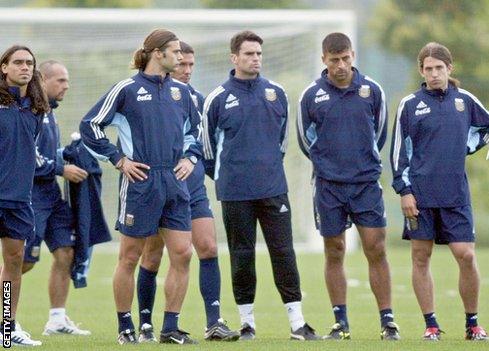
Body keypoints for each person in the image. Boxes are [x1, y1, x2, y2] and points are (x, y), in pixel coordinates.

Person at [79, 29, 203, 345]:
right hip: (141, 183)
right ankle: (125, 328)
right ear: (157, 53)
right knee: (131, 256)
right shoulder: (127, 89)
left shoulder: (182, 93)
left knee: (182, 254)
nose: (181, 57)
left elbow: (195, 131)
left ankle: (169, 328)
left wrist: (190, 156)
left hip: (175, 183)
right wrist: (119, 159)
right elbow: (90, 125)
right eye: (175, 52)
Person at [202, 30, 319, 341]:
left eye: (258, 54)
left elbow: (280, 139)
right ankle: (246, 324)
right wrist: (229, 175)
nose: (255, 59)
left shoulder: (276, 93)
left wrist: (264, 167)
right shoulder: (217, 98)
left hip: (272, 188)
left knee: (284, 253)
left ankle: (297, 324)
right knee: (242, 256)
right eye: (249, 54)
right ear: (234, 58)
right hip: (235, 191)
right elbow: (208, 149)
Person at [389, 42, 489, 342]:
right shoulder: (410, 105)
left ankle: (473, 324)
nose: (434, 73)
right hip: (420, 196)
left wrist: (467, 145)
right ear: (421, 71)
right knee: (420, 257)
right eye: (428, 68)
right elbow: (398, 152)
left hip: (455, 195)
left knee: (466, 255)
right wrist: (404, 190)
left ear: (450, 69)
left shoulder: (465, 100)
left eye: (439, 68)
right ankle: (431, 325)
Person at [297, 32, 399, 341]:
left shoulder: (372, 91)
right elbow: (305, 140)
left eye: (345, 59)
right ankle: (341, 323)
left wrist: (361, 160)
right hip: (328, 186)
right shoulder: (311, 95)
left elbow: (379, 134)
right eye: (334, 60)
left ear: (353, 56)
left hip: (365, 183)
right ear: (324, 60)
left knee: (375, 248)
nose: (341, 65)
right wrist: (330, 164)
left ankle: (388, 321)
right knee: (335, 250)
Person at [136, 41, 239, 342]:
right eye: (183, 64)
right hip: (159, 185)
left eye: (192, 65)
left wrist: (206, 170)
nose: (187, 70)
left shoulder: (198, 99)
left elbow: (203, 145)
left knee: (207, 247)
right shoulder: (151, 95)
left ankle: (214, 322)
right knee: (152, 255)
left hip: (191, 186)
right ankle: (144, 324)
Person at [21, 60, 91, 336]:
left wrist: (69, 155)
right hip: (30, 198)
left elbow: (49, 152)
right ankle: (6, 317)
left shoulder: (51, 112)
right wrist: (62, 168)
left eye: (67, 80)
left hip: (52, 196)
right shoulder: (29, 111)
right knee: (22, 262)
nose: (66, 86)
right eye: (60, 80)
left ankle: (57, 320)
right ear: (43, 80)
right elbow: (27, 157)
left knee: (66, 253)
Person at [0, 44, 49, 347]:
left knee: (14, 262)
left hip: (18, 200)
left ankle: (7, 326)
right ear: (3, 67)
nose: (25, 67)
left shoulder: (36, 107)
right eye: (18, 62)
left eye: (29, 63)